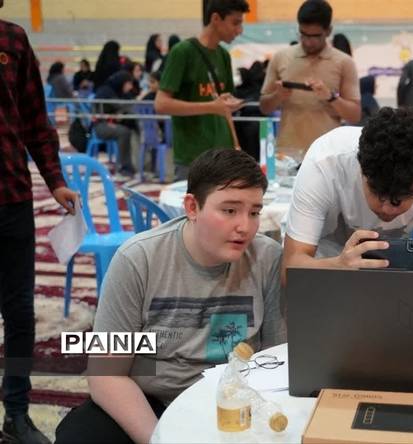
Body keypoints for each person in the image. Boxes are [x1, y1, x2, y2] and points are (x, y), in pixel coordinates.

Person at [54, 149, 286, 444]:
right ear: (192, 207)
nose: (245, 227)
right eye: (229, 211)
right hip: (149, 400)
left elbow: (277, 361)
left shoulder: (267, 259)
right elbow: (106, 374)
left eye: (254, 212)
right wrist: (160, 439)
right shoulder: (138, 259)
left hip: (231, 401)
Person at [0, 6, 78, 443]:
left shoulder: (12, 40)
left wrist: (56, 180)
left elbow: (33, 118)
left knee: (19, 312)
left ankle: (16, 413)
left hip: (12, 198)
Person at [282, 107, 413, 283]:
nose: (387, 209)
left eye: (401, 198)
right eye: (378, 193)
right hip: (322, 272)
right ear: (361, 170)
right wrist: (337, 265)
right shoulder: (324, 163)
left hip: (392, 279)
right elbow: (289, 271)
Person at [155, 0, 247, 181]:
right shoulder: (182, 52)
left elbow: (224, 108)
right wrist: (211, 107)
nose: (240, 30)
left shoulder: (223, 55)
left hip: (223, 155)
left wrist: (236, 145)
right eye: (235, 23)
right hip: (192, 157)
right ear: (216, 18)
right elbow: (161, 104)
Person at [259, 0, 361, 159]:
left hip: (327, 154)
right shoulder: (281, 58)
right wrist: (277, 96)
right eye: (303, 34)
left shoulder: (344, 62)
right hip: (287, 153)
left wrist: (331, 97)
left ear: (328, 31)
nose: (308, 41)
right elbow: (264, 107)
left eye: (315, 36)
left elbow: (354, 116)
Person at [93, 71, 139, 176]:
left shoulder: (120, 92)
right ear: (122, 82)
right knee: (124, 132)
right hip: (101, 125)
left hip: (113, 123)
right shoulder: (105, 92)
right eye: (129, 83)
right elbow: (121, 106)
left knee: (132, 128)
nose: (131, 87)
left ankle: (136, 164)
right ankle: (123, 167)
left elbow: (130, 105)